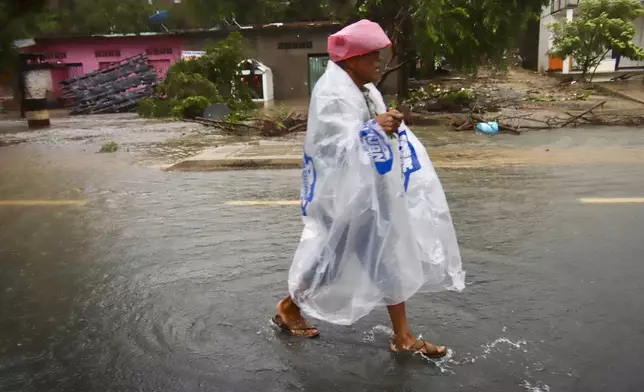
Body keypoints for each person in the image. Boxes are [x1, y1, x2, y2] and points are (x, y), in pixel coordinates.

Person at [272, 20, 465, 358]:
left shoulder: (364, 88)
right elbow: (332, 147)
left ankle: (403, 335)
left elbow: (366, 133)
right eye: (372, 55)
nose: (378, 61)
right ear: (352, 59)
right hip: (341, 195)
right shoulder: (332, 93)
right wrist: (374, 127)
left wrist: (384, 123)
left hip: (368, 191)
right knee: (331, 259)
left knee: (384, 255)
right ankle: (290, 307)